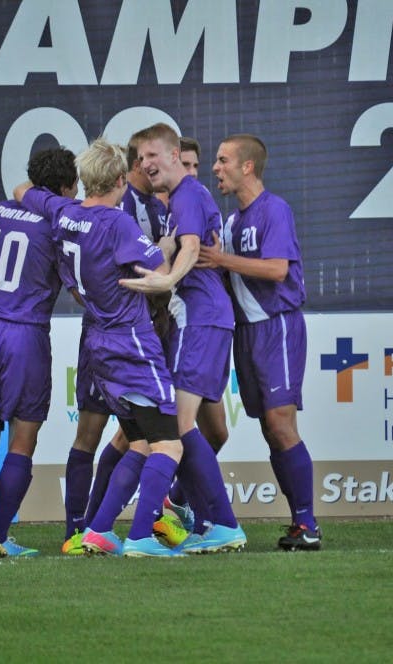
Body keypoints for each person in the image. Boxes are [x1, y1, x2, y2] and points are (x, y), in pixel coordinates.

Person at [16, 137, 185, 558]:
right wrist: (164, 256)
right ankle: (143, 537)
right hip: (130, 340)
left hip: (97, 343)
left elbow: (23, 191)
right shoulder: (117, 223)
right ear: (117, 181)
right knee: (169, 443)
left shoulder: (65, 213)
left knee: (139, 441)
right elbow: (160, 271)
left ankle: (98, 530)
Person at [120, 123, 245, 554]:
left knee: (179, 426)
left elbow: (191, 246)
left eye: (153, 154)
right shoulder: (180, 200)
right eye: (140, 158)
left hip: (200, 319)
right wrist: (163, 260)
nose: (145, 164)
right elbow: (178, 242)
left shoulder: (188, 193)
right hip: (203, 320)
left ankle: (223, 523)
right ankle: (205, 518)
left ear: (175, 155)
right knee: (192, 427)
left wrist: (167, 278)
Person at [0, 147, 79, 558]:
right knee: (22, 443)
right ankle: (0, 535)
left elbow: (21, 194)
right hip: (22, 334)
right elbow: (78, 289)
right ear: (64, 187)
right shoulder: (59, 226)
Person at [198, 134, 322, 551]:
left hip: (277, 327)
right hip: (246, 332)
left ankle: (307, 524)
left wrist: (221, 260)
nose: (216, 168)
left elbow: (276, 270)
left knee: (280, 423)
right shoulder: (232, 223)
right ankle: (297, 523)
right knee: (270, 429)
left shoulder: (275, 210)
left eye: (222, 160)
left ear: (247, 166)